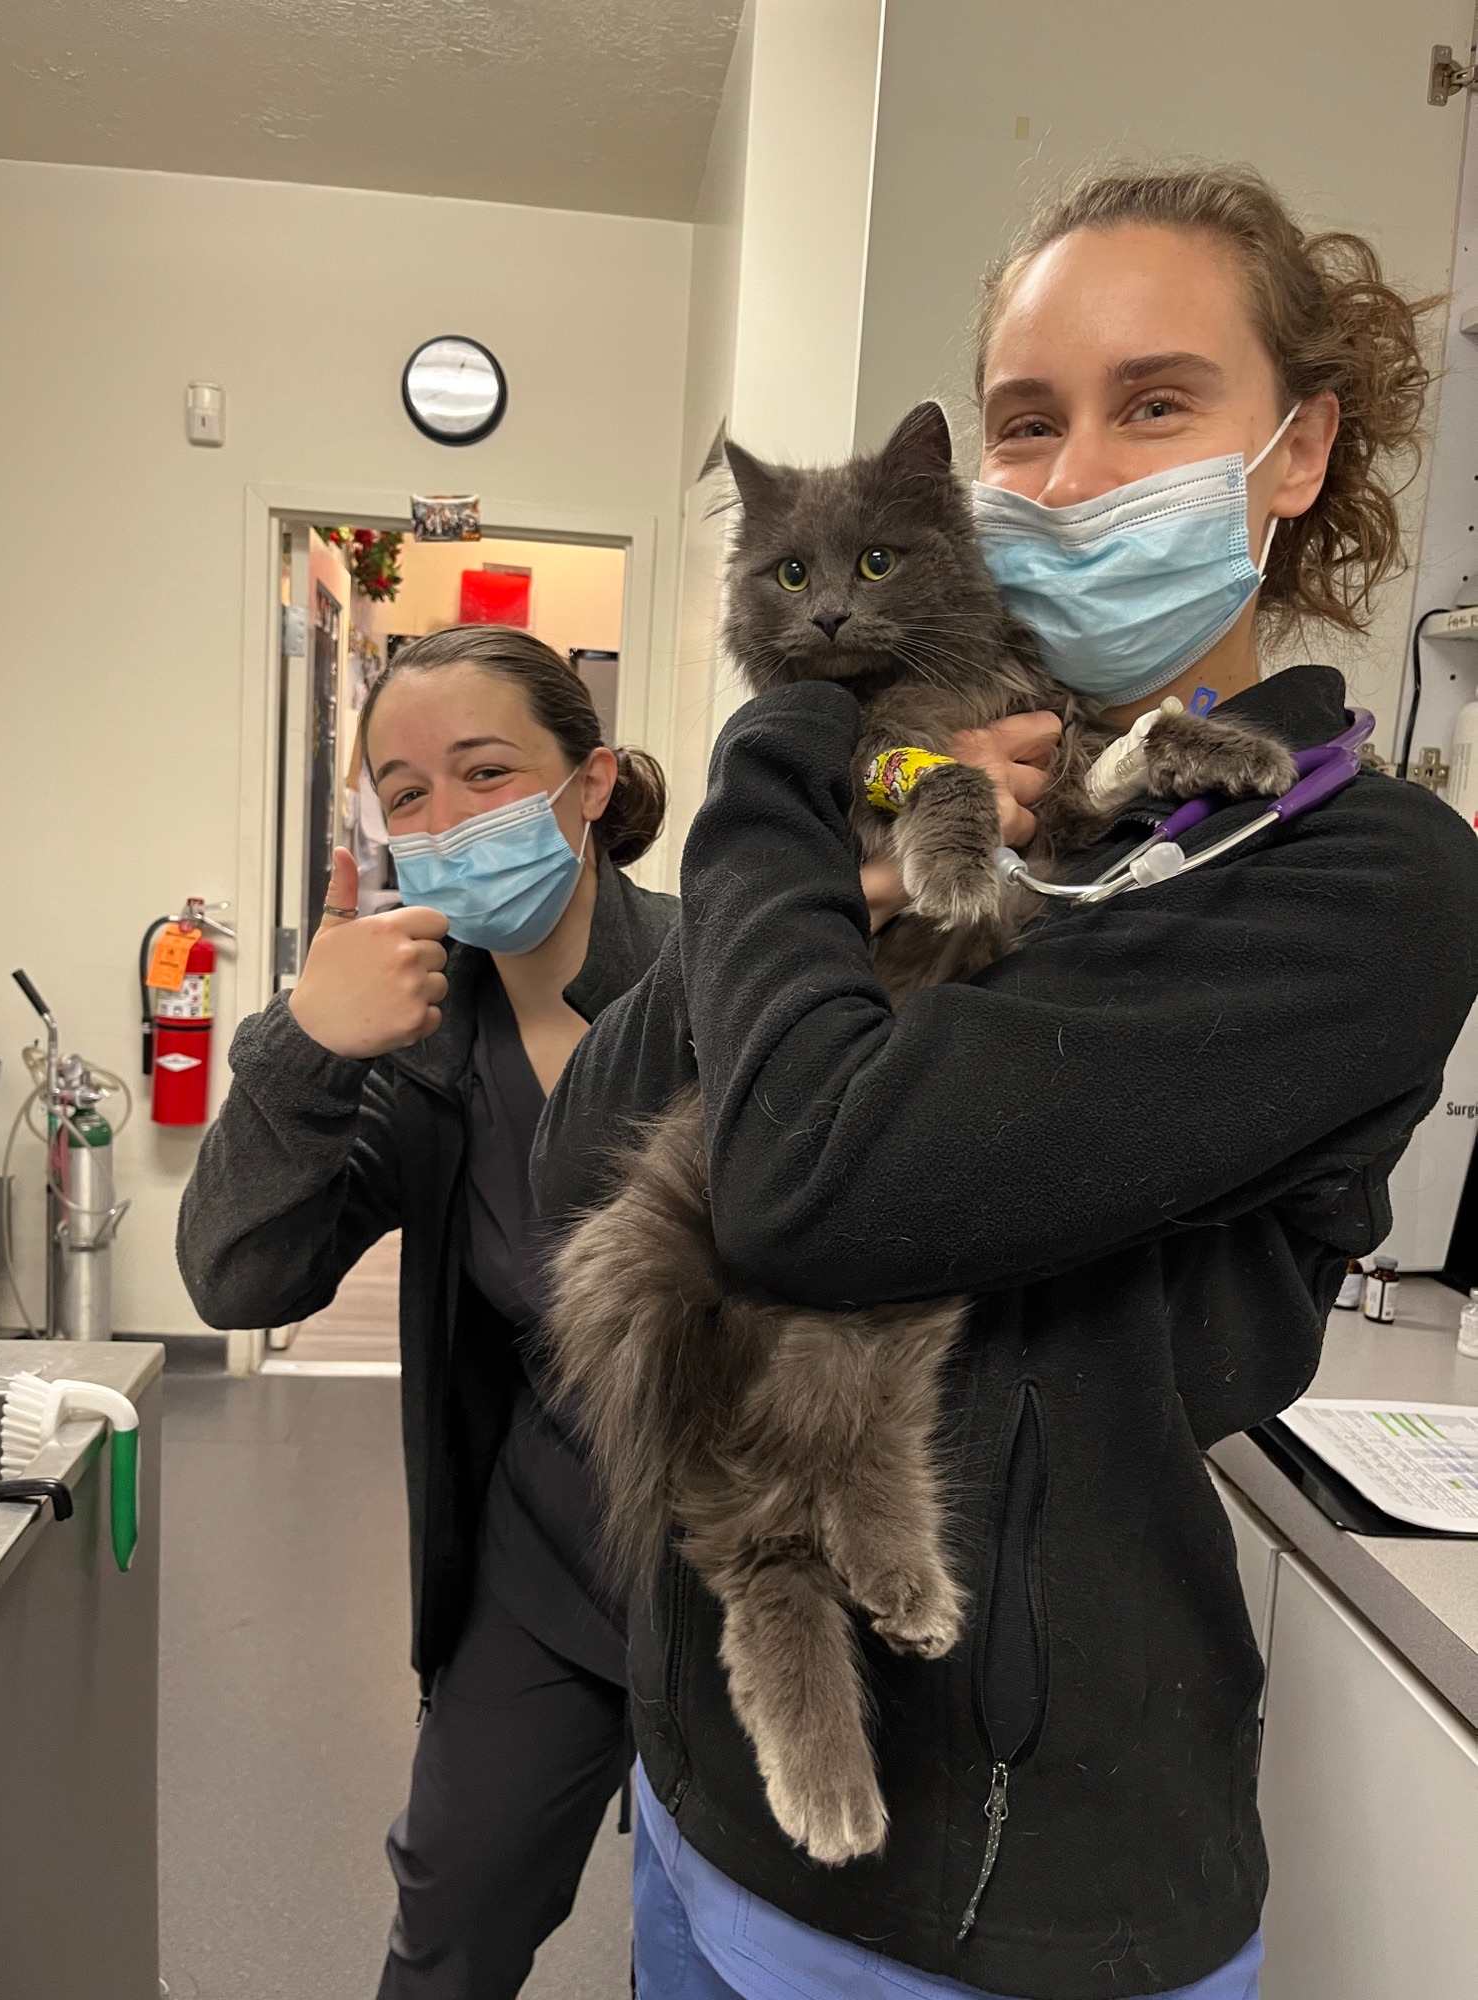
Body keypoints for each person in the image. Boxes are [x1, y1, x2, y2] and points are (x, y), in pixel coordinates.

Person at [531, 165, 1478, 2000]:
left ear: (1294, 450)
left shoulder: (1362, 877)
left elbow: (809, 1188)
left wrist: (775, 787)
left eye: (1157, 406)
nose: (1075, 476)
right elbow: (580, 1160)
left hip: (1008, 1894)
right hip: (702, 1785)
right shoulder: (955, 764)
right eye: (1028, 423)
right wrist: (841, 838)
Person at [177, 625, 677, 1998]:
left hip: (750, 1564)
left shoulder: (721, 977)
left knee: (722, 1941)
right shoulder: (423, 1047)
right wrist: (303, 1045)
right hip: (547, 1552)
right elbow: (237, 1281)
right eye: (407, 794)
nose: (446, 820)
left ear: (591, 783)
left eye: (485, 772)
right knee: (452, 1918)